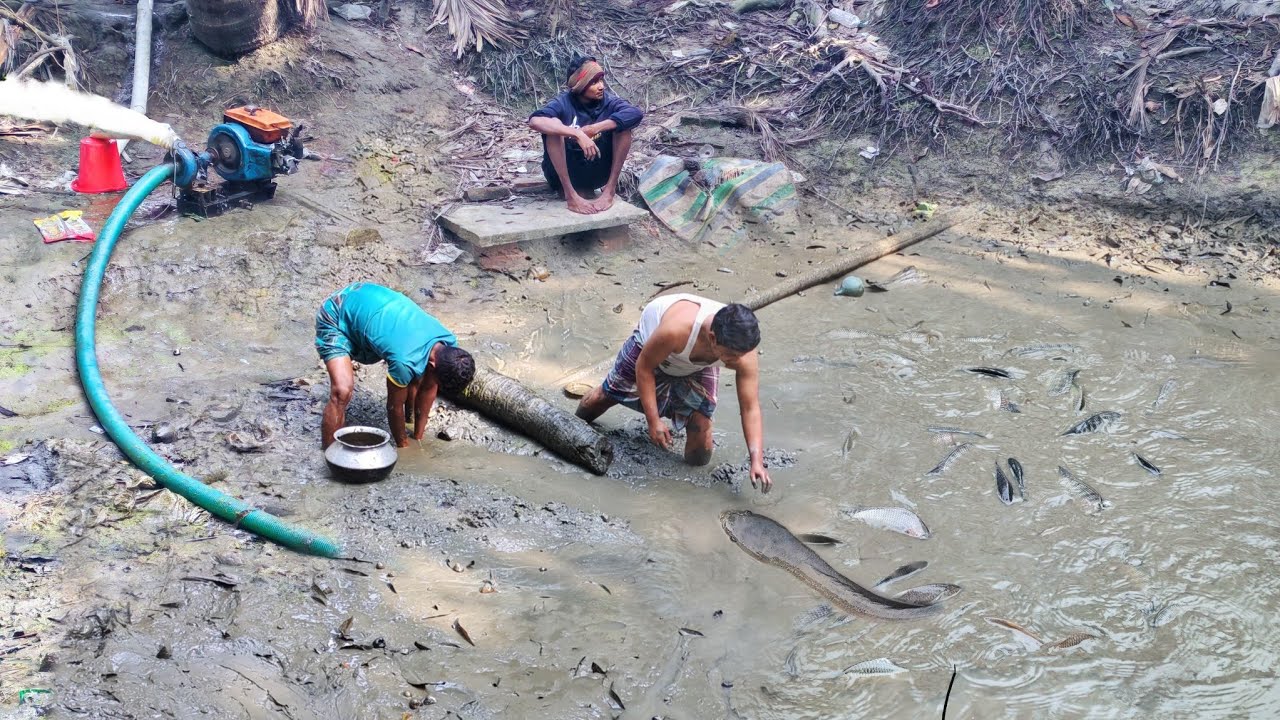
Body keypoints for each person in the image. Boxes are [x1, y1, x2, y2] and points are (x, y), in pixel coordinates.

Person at [575, 294, 772, 492]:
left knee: (701, 427)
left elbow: (750, 408)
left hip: (697, 364)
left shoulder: (743, 352)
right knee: (603, 397)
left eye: (741, 355)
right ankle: (572, 428)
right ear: (713, 339)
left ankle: (689, 488)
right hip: (650, 349)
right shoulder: (675, 329)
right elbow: (644, 368)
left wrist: (756, 460)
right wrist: (653, 421)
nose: (738, 361)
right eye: (731, 356)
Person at [315, 282, 475, 449]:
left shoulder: (448, 344)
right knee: (342, 391)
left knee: (419, 375)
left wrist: (418, 437)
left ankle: (410, 419)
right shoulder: (404, 361)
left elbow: (428, 389)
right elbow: (394, 407)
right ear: (433, 365)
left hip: (369, 303)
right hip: (336, 312)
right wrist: (403, 446)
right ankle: (330, 454)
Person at [527, 54, 643, 215]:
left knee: (623, 126)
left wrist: (594, 129)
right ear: (579, 85)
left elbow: (635, 113)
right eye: (594, 82)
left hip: (598, 173)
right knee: (553, 128)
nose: (601, 86)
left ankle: (609, 191)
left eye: (601, 80)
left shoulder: (608, 102)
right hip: (563, 176)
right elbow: (535, 121)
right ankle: (570, 196)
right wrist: (577, 134)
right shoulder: (563, 103)